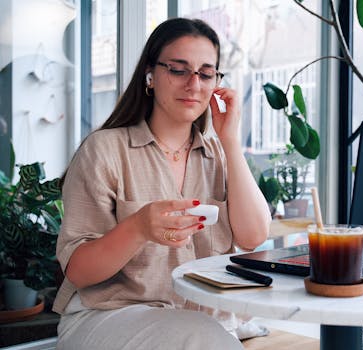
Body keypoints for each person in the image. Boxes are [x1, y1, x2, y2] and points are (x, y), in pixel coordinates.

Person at [52, 17, 271, 350]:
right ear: (150, 76)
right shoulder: (106, 149)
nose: (194, 84)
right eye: (178, 70)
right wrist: (139, 227)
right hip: (107, 317)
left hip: (200, 324)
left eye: (206, 73)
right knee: (202, 336)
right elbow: (79, 272)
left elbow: (254, 235)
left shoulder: (218, 153)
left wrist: (230, 139)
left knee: (204, 333)